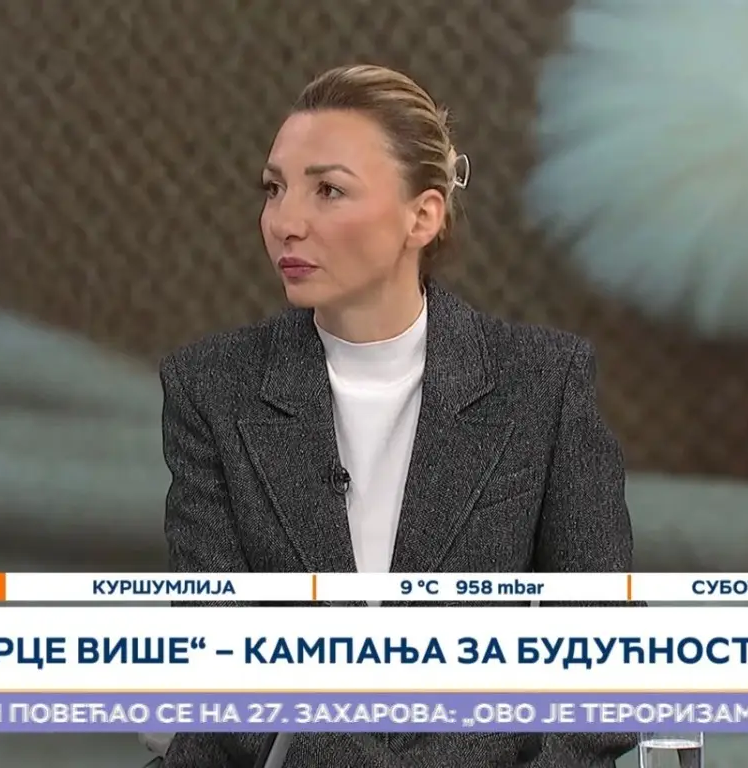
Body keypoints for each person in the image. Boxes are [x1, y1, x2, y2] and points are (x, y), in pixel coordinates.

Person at [160, 64, 637, 767]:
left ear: (424, 216)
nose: (285, 222)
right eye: (274, 188)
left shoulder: (543, 384)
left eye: (328, 190)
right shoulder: (212, 388)